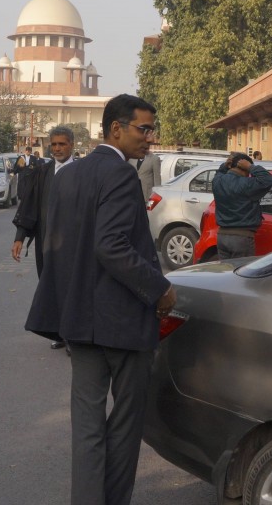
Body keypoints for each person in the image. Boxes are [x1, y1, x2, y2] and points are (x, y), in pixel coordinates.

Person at [25, 94, 177, 505]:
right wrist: (159, 288)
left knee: (87, 428)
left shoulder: (68, 175)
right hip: (122, 322)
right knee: (125, 426)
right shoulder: (121, 174)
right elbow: (111, 246)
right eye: (144, 129)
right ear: (116, 129)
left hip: (80, 320)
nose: (150, 137)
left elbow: (58, 248)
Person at [12, 126, 74, 351]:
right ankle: (58, 333)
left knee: (71, 288)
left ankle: (72, 336)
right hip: (46, 242)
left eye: (62, 144)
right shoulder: (42, 173)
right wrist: (20, 237)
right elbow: (30, 206)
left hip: (73, 244)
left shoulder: (82, 172)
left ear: (71, 145)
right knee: (50, 287)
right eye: (54, 144)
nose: (57, 148)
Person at [211, 152, 272, 259]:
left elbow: (219, 172)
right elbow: (268, 179)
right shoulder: (247, 184)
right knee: (241, 269)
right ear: (244, 169)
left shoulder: (217, 181)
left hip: (222, 237)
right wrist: (251, 167)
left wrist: (224, 166)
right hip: (241, 238)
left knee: (226, 269)